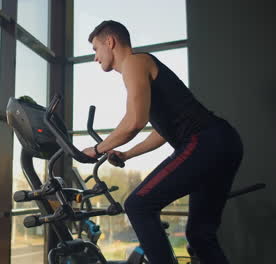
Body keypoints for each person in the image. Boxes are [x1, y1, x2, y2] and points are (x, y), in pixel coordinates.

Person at [81, 20, 243, 264]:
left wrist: (95, 149)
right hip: (224, 142)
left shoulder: (134, 63)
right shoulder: (142, 67)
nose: (95, 57)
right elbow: (162, 132)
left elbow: (134, 121)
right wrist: (127, 155)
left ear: (110, 42)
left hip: (206, 141)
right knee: (200, 235)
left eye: (95, 49)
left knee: (137, 205)